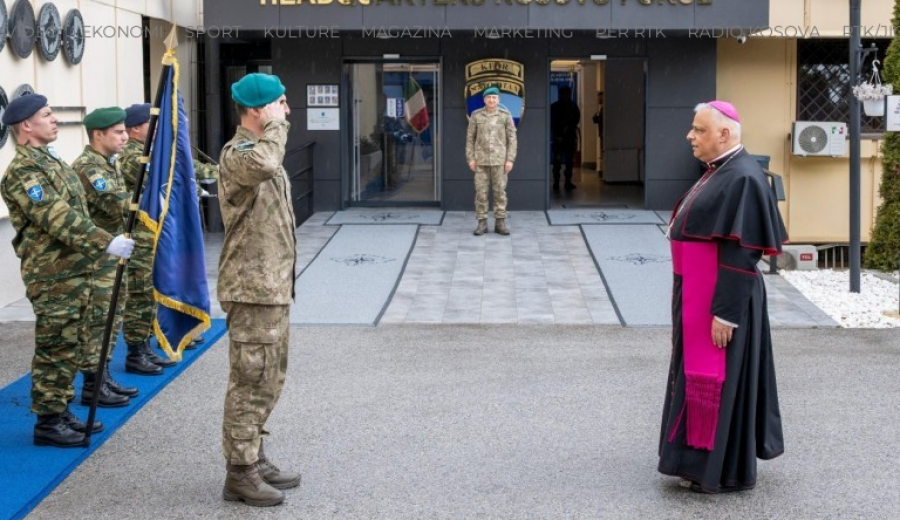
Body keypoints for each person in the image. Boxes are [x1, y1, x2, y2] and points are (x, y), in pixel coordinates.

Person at [659, 101, 788, 493]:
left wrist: (726, 314)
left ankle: (719, 469)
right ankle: (691, 458)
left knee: (720, 380)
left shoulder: (744, 178)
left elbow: (742, 252)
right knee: (697, 376)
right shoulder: (720, 171)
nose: (690, 136)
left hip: (721, 302)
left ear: (724, 134)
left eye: (699, 130)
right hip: (699, 292)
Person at [0, 94, 135, 447]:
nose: (55, 119)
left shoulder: (52, 162)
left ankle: (59, 411)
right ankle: (47, 421)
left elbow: (80, 211)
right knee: (55, 345)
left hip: (76, 270)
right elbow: (57, 217)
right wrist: (105, 241)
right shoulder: (25, 171)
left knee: (71, 342)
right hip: (53, 275)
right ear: (26, 125)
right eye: (47, 115)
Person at [218, 73, 301, 507]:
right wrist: (275, 126)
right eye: (280, 103)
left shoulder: (264, 149)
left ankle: (254, 454)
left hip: (270, 288)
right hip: (251, 290)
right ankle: (240, 473)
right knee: (250, 380)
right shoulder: (241, 154)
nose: (287, 110)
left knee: (269, 378)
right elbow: (266, 164)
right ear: (256, 110)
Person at [71, 107, 141, 407]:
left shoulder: (108, 163)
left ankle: (102, 375)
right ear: (98, 134)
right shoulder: (89, 167)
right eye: (118, 132)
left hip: (113, 255)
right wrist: (151, 197)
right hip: (98, 258)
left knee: (113, 318)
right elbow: (115, 201)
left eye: (125, 131)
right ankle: (91, 384)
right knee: (100, 319)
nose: (125, 137)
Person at [466, 86, 517, 236]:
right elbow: (470, 138)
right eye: (488, 97)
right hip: (480, 162)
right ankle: (481, 223)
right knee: (481, 193)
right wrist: (470, 158)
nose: (491, 100)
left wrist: (510, 159)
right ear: (484, 100)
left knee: (500, 193)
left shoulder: (505, 116)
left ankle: (500, 223)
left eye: (494, 97)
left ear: (498, 100)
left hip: (500, 162)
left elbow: (512, 139)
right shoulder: (476, 115)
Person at [550, 86, 580, 191]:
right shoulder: (572, 106)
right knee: (567, 161)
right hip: (568, 137)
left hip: (560, 138)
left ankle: (557, 182)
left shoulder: (554, 107)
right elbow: (576, 120)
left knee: (559, 161)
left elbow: (553, 123)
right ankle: (565, 182)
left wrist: (559, 133)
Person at [592, 91, 604, 174]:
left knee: (603, 150)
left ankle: (602, 170)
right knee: (602, 150)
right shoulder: (601, 108)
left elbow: (601, 120)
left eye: (599, 97)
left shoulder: (603, 108)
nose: (598, 99)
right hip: (602, 132)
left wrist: (596, 116)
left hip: (603, 132)